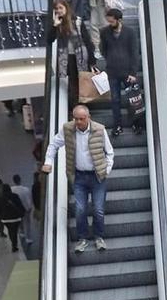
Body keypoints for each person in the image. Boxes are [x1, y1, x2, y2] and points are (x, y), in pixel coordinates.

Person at [43, 103, 114, 252]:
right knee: (80, 209)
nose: (78, 122)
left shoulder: (99, 130)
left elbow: (109, 152)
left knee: (98, 209)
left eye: (81, 119)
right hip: (79, 176)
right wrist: (48, 162)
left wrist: (106, 169)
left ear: (88, 117)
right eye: (76, 119)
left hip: (97, 176)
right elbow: (54, 144)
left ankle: (98, 237)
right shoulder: (68, 129)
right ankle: (83, 239)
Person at [99, 6, 140, 135]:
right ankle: (117, 126)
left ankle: (136, 124)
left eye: (112, 21)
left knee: (133, 99)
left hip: (128, 71)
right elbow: (103, 49)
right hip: (112, 71)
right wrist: (110, 59)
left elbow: (134, 53)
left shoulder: (130, 32)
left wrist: (133, 72)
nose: (109, 24)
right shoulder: (105, 32)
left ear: (119, 20)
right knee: (115, 100)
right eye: (108, 21)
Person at [48, 0, 92, 112]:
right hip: (67, 58)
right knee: (72, 83)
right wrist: (55, 26)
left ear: (66, 8)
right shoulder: (57, 24)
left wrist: (92, 60)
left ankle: (85, 108)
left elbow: (87, 39)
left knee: (83, 81)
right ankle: (76, 108)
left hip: (81, 56)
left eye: (60, 8)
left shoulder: (77, 20)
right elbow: (49, 40)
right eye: (56, 9)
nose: (59, 11)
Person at [0, 174, 26, 255]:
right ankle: (14, 244)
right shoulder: (15, 196)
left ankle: (13, 244)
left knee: (10, 231)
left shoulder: (1, 198)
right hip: (16, 218)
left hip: (6, 219)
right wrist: (22, 214)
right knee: (15, 231)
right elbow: (20, 206)